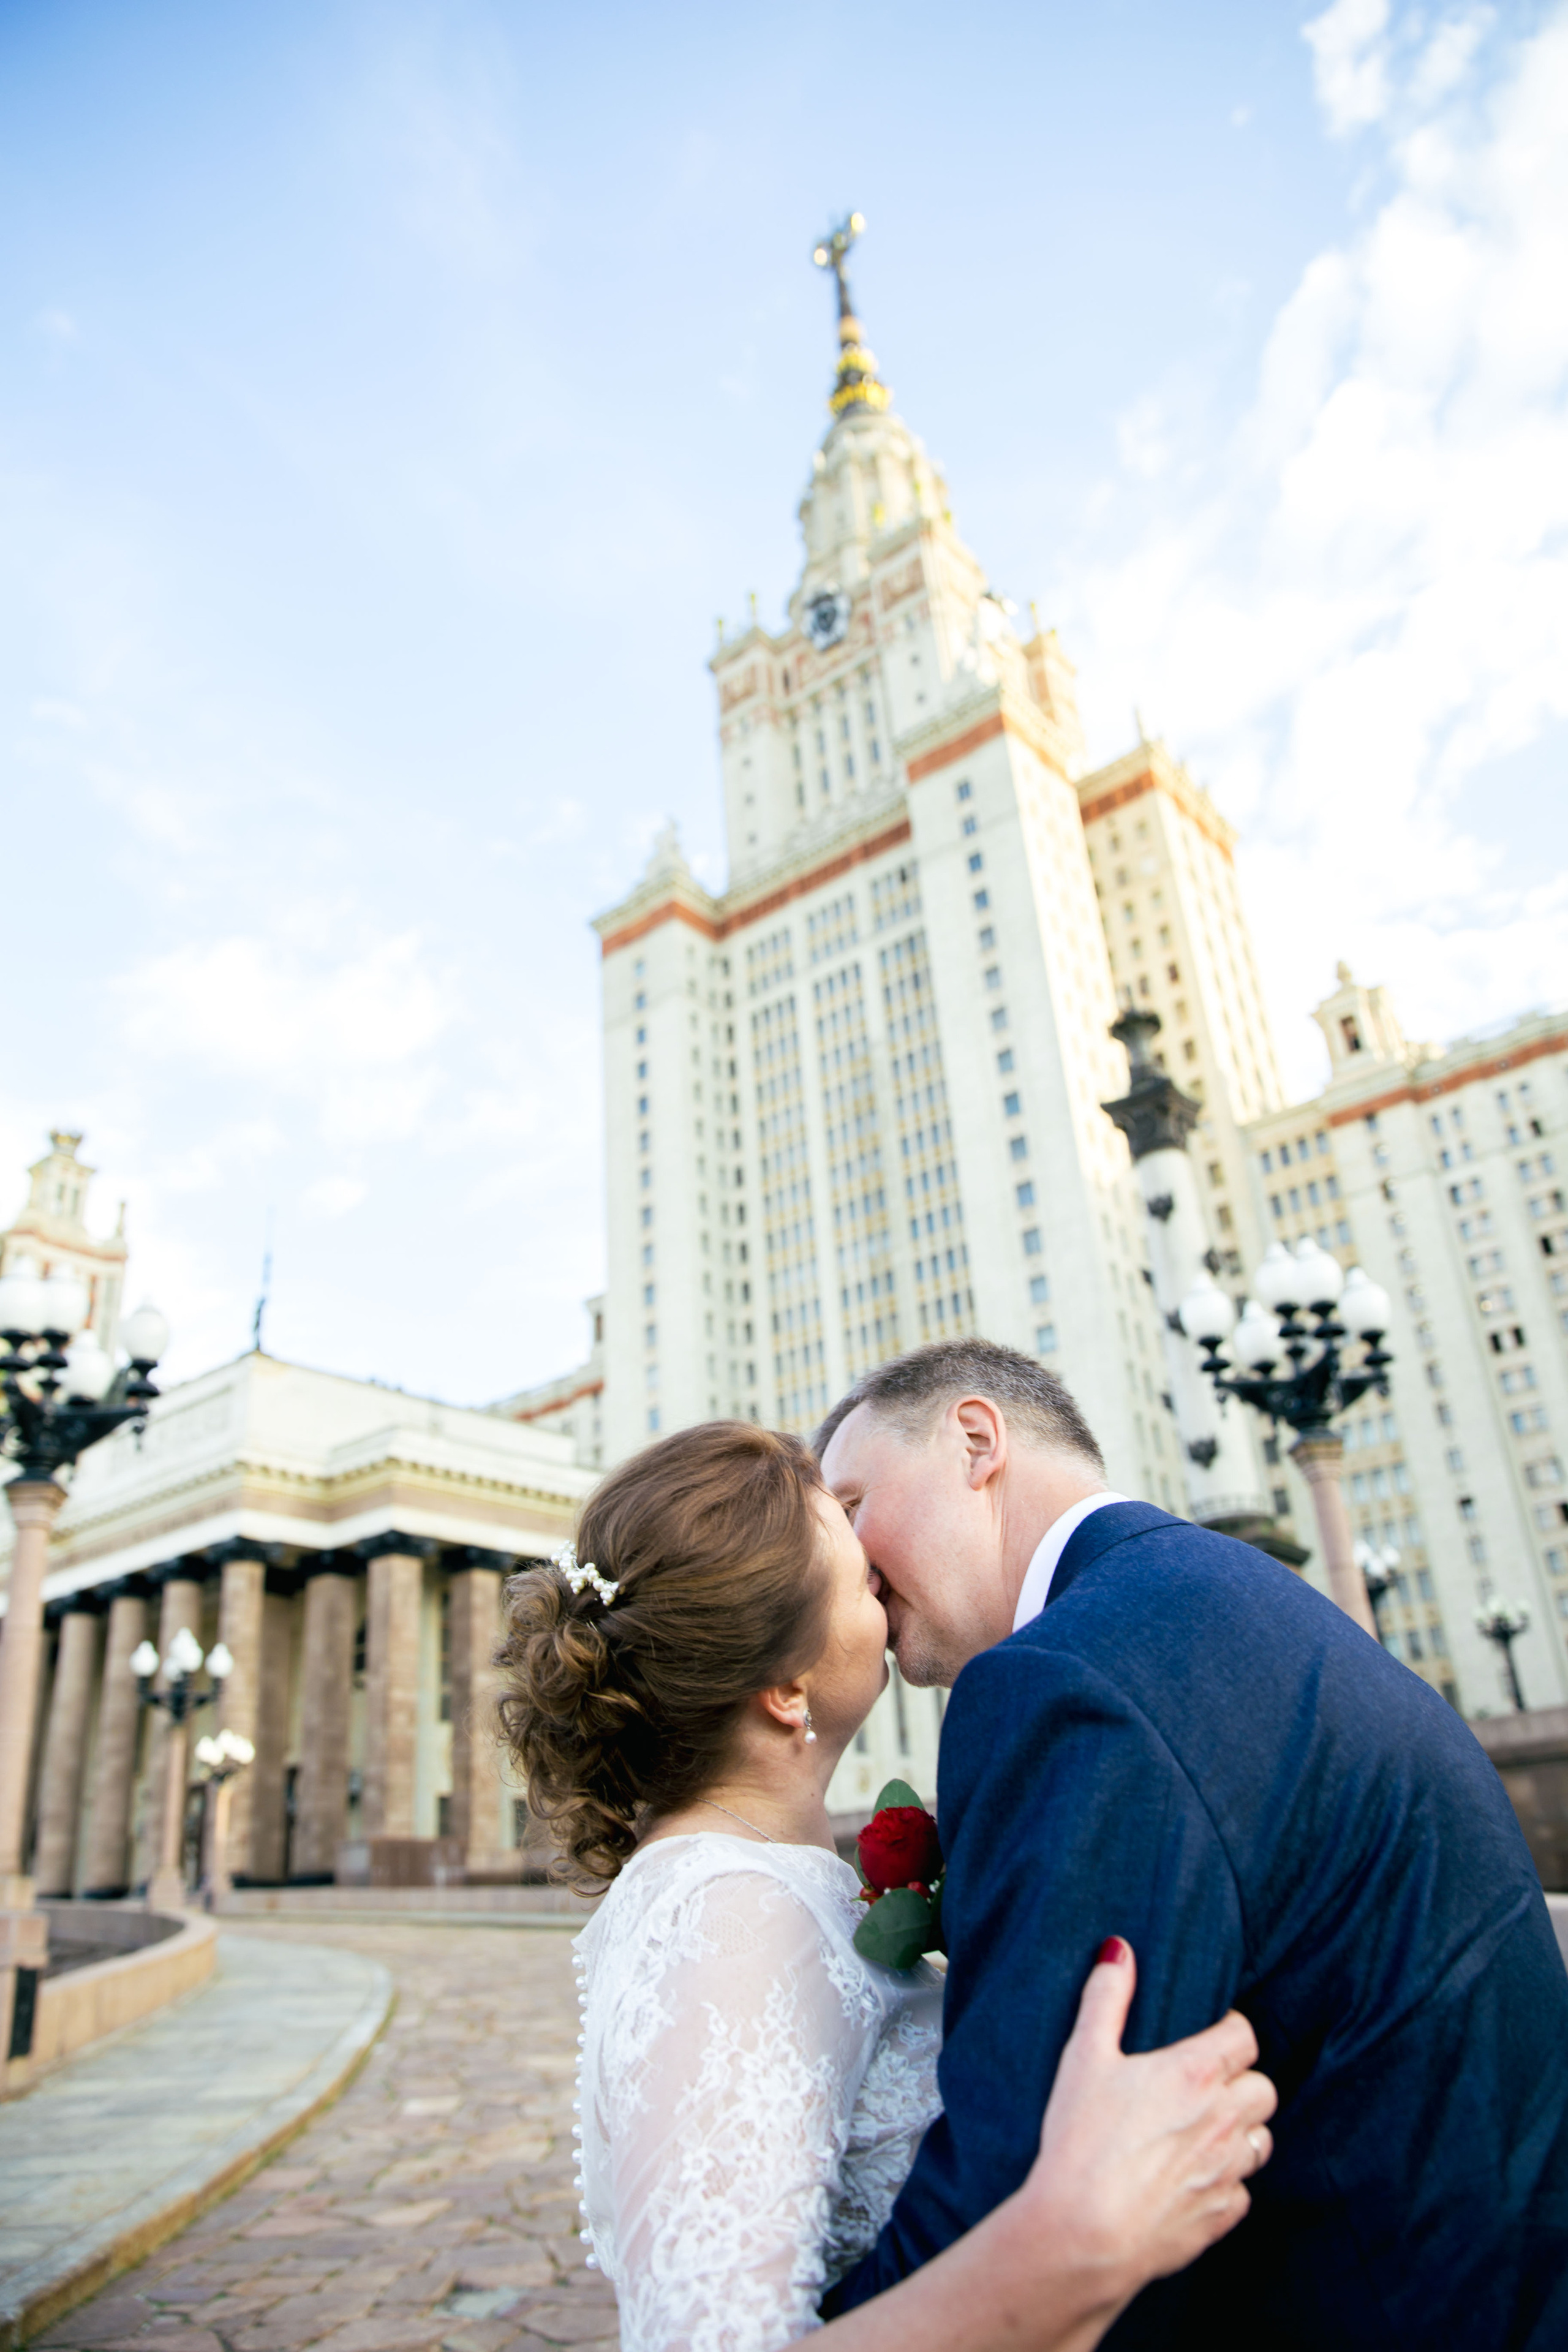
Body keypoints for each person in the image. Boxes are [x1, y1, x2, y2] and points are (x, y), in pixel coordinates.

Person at [815, 1339, 1568, 2350]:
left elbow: (1018, 2190)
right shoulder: (1220, 1593)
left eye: (855, 1505)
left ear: (976, 1439)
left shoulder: (1063, 1678)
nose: (851, 1566)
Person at [496, 1419, 1276, 2352]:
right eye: (859, 1577)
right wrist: (1082, 2237)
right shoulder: (725, 1914)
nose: (884, 1572)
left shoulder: (756, 1884)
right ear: (786, 1687)